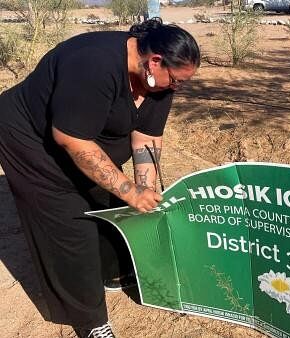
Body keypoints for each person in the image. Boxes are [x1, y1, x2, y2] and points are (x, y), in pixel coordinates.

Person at [0, 18, 200, 338]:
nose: (178, 87)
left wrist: (143, 190)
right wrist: (128, 189)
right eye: (175, 80)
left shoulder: (158, 82)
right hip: (30, 137)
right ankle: (90, 320)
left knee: (108, 200)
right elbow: (71, 139)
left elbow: (146, 137)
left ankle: (112, 271)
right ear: (155, 61)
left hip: (80, 133)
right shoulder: (93, 64)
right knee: (68, 223)